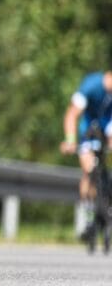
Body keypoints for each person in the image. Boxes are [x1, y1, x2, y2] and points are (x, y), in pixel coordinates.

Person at [59, 70, 112, 237]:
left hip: (108, 131)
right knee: (89, 169)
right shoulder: (92, 85)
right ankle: (89, 217)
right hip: (88, 134)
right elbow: (72, 114)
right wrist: (69, 140)